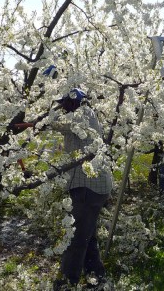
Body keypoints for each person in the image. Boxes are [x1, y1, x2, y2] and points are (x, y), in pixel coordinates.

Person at [50, 88, 113, 290]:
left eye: (64, 103)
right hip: (90, 185)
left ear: (73, 102)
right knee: (88, 234)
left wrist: (50, 111)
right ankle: (97, 276)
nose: (62, 107)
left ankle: (67, 282)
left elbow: (54, 122)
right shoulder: (84, 114)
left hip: (89, 186)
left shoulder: (83, 115)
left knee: (77, 236)